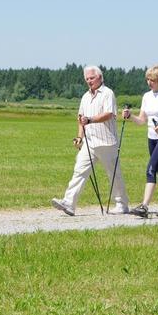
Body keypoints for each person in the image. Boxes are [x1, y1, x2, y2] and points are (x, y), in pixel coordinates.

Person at [51, 66, 129, 216]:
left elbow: (109, 114)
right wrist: (79, 137)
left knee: (113, 174)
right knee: (79, 171)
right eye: (87, 78)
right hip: (89, 142)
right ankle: (69, 203)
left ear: (100, 78)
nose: (89, 81)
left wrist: (91, 120)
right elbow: (81, 119)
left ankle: (121, 204)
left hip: (107, 142)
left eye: (91, 78)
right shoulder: (85, 97)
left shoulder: (108, 93)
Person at [122, 64, 158, 218]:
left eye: (152, 80)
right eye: (147, 79)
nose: (149, 82)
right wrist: (130, 116)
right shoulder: (146, 96)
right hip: (151, 138)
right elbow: (141, 120)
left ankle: (144, 206)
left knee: (151, 169)